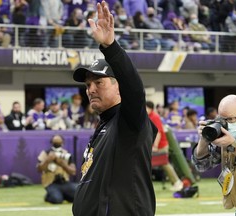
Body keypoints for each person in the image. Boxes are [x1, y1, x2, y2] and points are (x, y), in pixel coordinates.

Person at [72, 1, 157, 215]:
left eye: (99, 83)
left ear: (118, 86)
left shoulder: (129, 120)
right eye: (88, 85)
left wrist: (111, 47)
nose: (90, 89)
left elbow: (134, 89)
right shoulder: (104, 124)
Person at [192, 94, 236, 215]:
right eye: (222, 119)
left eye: (230, 119)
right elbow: (202, 165)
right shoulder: (226, 132)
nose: (226, 124)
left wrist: (233, 144)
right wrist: (204, 140)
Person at [146, 101, 184, 191]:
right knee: (163, 164)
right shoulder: (149, 116)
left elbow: (158, 132)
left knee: (164, 163)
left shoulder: (154, 117)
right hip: (159, 145)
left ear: (150, 108)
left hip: (161, 145)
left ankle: (177, 182)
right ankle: (176, 182)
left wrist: (155, 146)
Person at [37, 134, 77, 204]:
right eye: (55, 141)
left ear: (62, 142)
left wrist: (62, 164)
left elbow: (73, 172)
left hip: (64, 182)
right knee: (57, 200)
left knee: (78, 196)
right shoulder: (45, 153)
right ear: (51, 142)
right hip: (51, 183)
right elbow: (39, 169)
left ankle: (63, 195)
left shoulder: (66, 154)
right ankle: (49, 196)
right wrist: (47, 160)